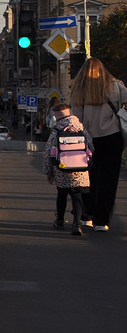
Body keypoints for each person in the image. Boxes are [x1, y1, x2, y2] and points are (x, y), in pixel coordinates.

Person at [68, 57, 127, 232]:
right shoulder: (115, 85)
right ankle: (102, 221)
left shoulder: (79, 88)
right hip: (112, 137)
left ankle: (86, 216)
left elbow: (76, 118)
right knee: (108, 180)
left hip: (87, 139)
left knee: (87, 178)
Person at [43, 101, 92, 235]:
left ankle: (60, 220)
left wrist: (48, 172)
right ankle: (76, 224)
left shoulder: (57, 130)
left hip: (62, 168)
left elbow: (48, 152)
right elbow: (91, 146)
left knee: (62, 194)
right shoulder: (80, 128)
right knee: (77, 196)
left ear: (57, 117)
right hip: (80, 169)